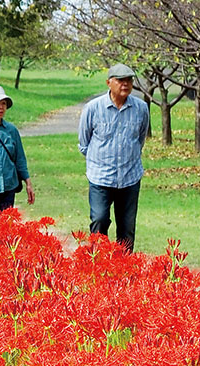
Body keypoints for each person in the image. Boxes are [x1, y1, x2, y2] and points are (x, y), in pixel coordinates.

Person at [78, 63, 149, 253]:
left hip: (130, 176)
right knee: (99, 219)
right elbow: (84, 143)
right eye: (120, 80)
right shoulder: (93, 108)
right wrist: (99, 161)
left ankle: (123, 271)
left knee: (126, 228)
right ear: (109, 82)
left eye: (129, 80)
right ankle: (97, 264)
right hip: (100, 176)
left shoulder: (141, 108)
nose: (125, 84)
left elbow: (140, 139)